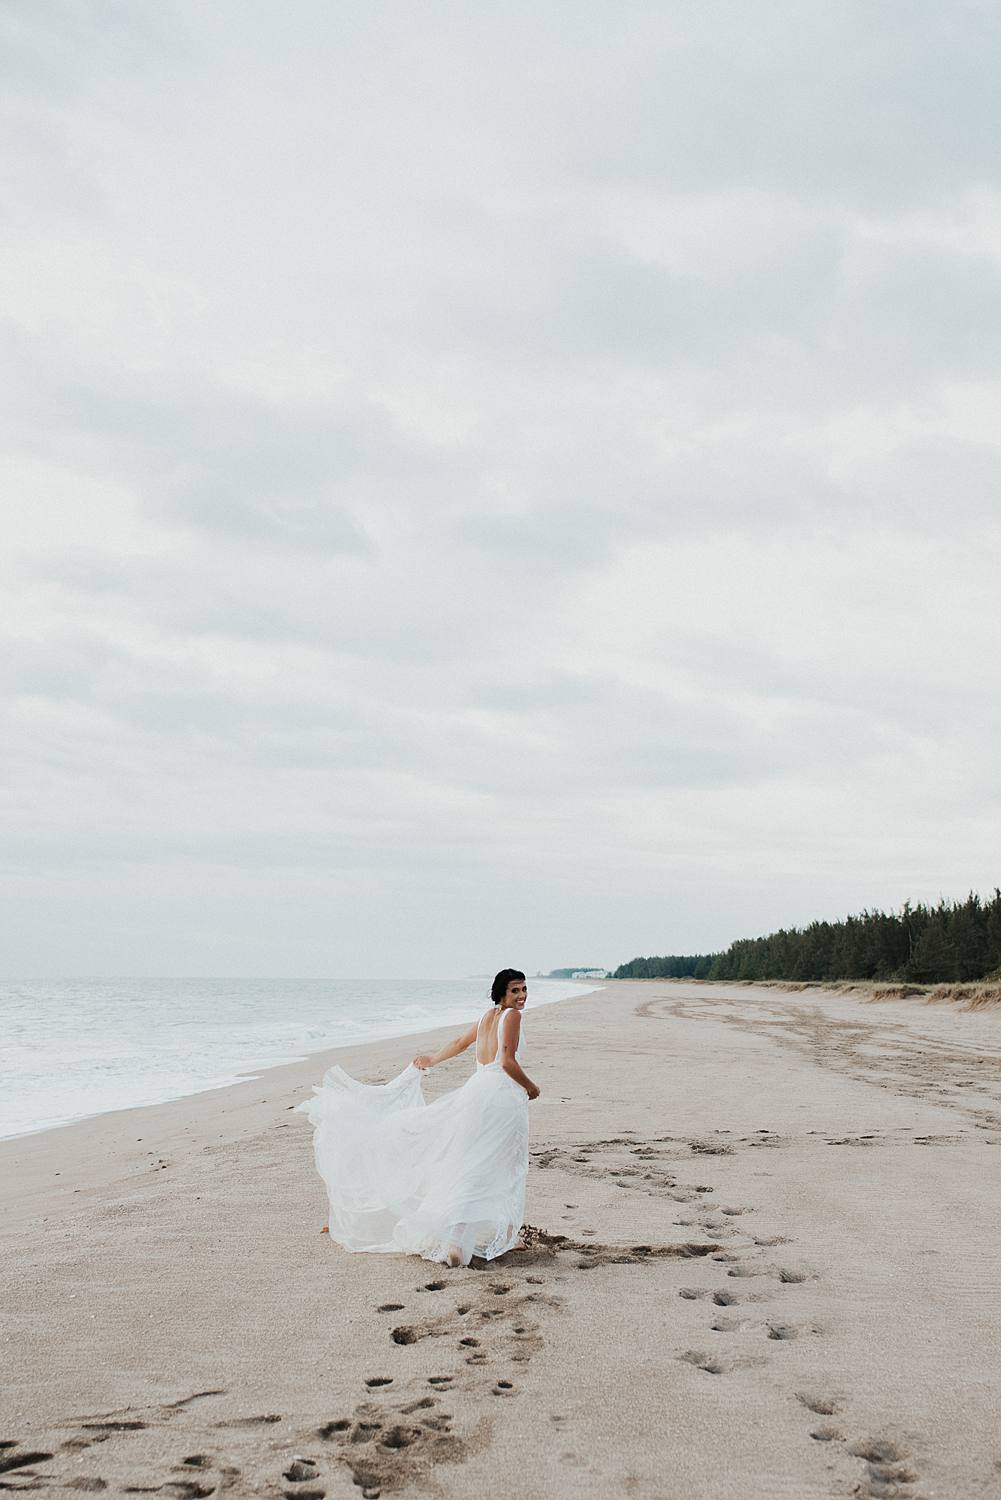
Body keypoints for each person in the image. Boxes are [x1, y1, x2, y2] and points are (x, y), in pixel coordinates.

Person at [297, 969, 541, 1267]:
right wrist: (531, 1087)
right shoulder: (512, 1017)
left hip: (475, 1092)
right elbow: (506, 1061)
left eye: (525, 989)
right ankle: (505, 1235)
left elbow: (459, 1042)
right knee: (505, 1164)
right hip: (501, 1097)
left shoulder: (485, 1019)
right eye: (515, 990)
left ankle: (456, 1241)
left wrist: (433, 1059)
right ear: (501, 993)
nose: (522, 996)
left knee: (470, 1163)